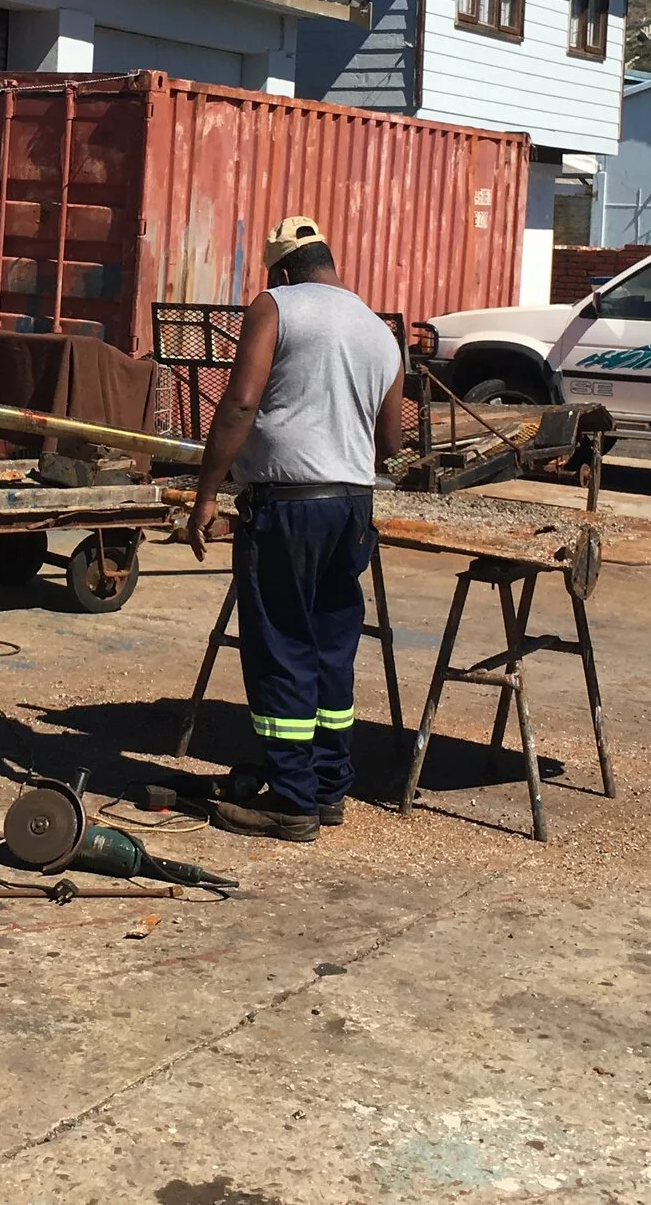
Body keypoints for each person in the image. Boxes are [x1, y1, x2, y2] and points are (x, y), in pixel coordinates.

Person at [185, 216, 405, 842]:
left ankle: (290, 799)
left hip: (287, 504)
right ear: (329, 265)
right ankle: (329, 787)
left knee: (280, 642)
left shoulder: (275, 306)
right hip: (352, 505)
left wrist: (207, 495)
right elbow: (388, 441)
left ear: (282, 272)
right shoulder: (379, 330)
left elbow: (241, 402)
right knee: (333, 644)